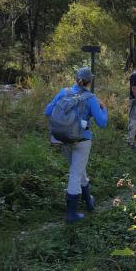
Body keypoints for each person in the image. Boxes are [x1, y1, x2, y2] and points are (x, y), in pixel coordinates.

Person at [45, 67, 108, 223]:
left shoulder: (63, 92)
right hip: (82, 140)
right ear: (90, 81)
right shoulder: (91, 98)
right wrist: (104, 109)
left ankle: (88, 201)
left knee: (78, 170)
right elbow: (102, 123)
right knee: (75, 173)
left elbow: (48, 111)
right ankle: (71, 214)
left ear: (76, 78)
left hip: (63, 138)